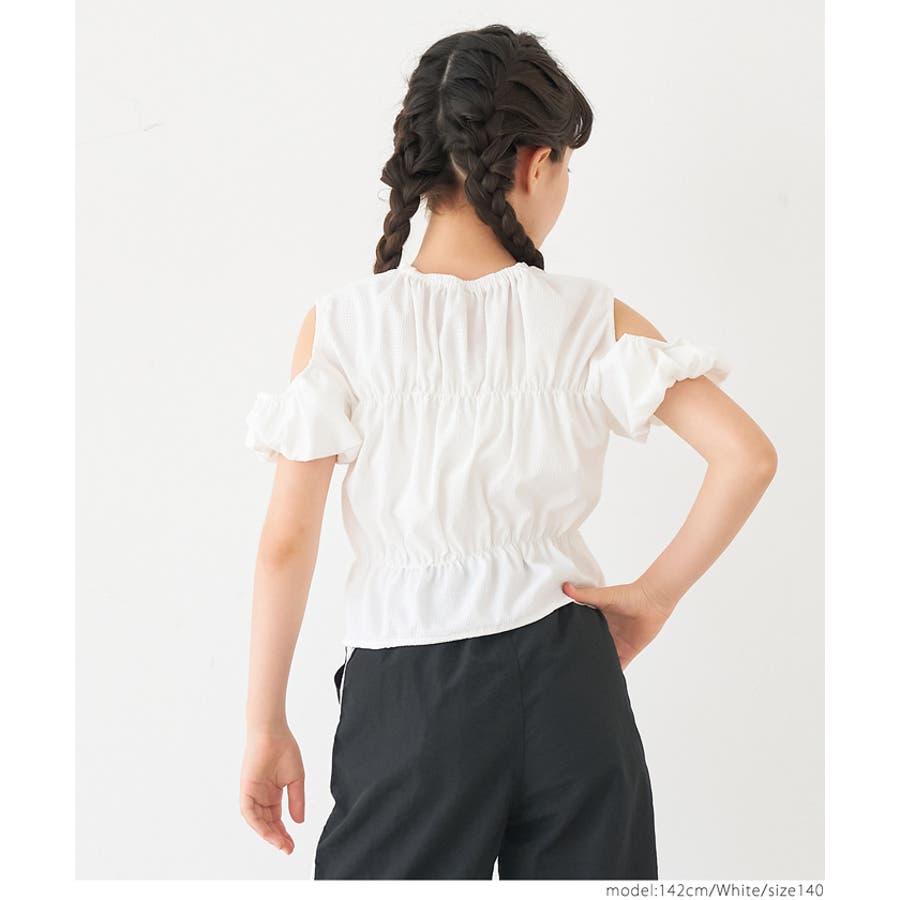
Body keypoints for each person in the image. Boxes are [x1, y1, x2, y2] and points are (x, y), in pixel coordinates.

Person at [238, 23, 777, 880]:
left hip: (411, 696)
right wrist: (653, 597)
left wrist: (265, 723)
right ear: (536, 162)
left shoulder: (343, 326)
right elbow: (745, 457)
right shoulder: (588, 316)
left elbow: (285, 544)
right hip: (572, 676)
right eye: (566, 168)